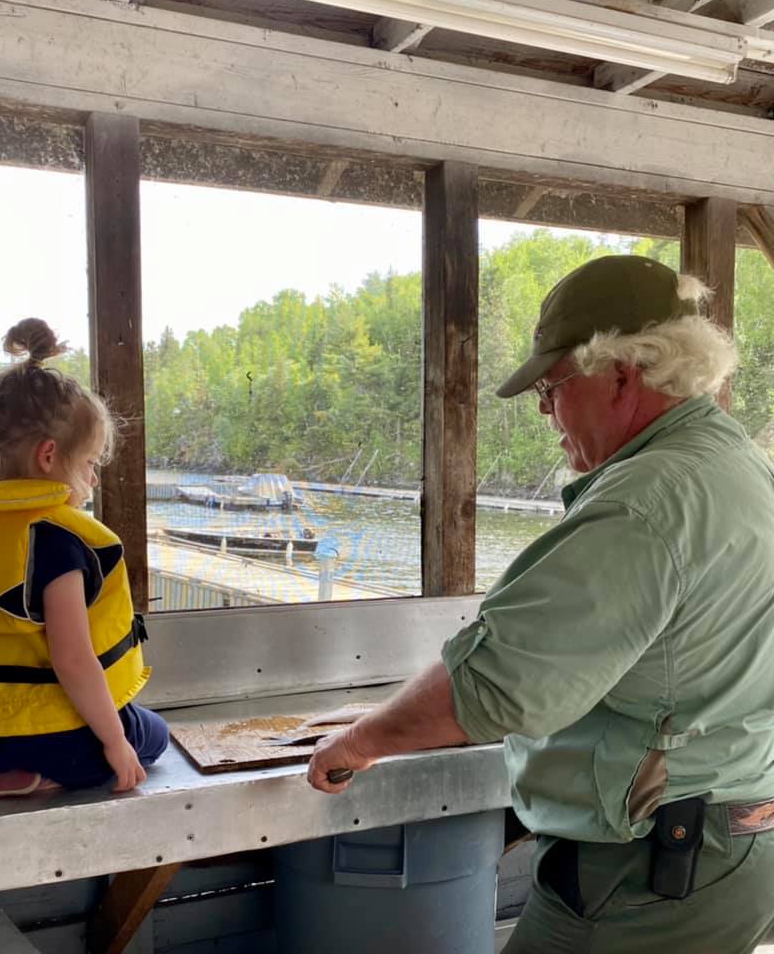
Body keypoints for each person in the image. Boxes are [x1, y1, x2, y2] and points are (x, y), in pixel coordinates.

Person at [308, 255, 774, 954]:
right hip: (731, 840)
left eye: (552, 388)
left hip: (649, 876)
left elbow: (498, 684)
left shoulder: (645, 501)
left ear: (623, 374)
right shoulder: (735, 462)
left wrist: (359, 742)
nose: (545, 412)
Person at [0, 318, 168, 799]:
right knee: (152, 734)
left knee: (1, 713)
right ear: (49, 456)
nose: (93, 480)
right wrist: (115, 743)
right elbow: (73, 660)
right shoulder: (55, 540)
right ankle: (41, 776)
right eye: (90, 464)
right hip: (57, 740)